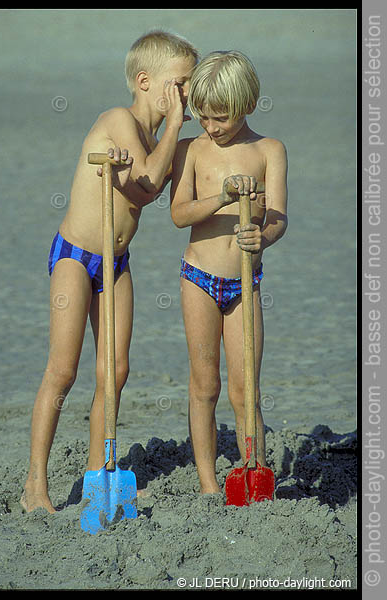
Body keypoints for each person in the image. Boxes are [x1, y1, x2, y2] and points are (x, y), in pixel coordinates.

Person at [21, 30, 198, 513]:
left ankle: (99, 474)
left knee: (114, 371)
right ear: (146, 81)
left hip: (116, 263)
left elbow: (150, 189)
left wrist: (172, 134)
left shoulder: (150, 137)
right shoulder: (119, 120)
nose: (186, 94)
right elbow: (145, 186)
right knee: (63, 370)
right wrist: (177, 125)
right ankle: (34, 485)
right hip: (76, 257)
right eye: (180, 84)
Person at [170, 50, 288, 494]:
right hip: (199, 278)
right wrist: (220, 198)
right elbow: (179, 214)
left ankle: (252, 469)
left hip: (245, 283)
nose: (210, 127)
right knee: (205, 384)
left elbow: (278, 216)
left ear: (247, 107)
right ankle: (207, 483)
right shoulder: (192, 150)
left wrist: (265, 235)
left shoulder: (269, 150)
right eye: (203, 117)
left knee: (245, 388)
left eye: (220, 118)